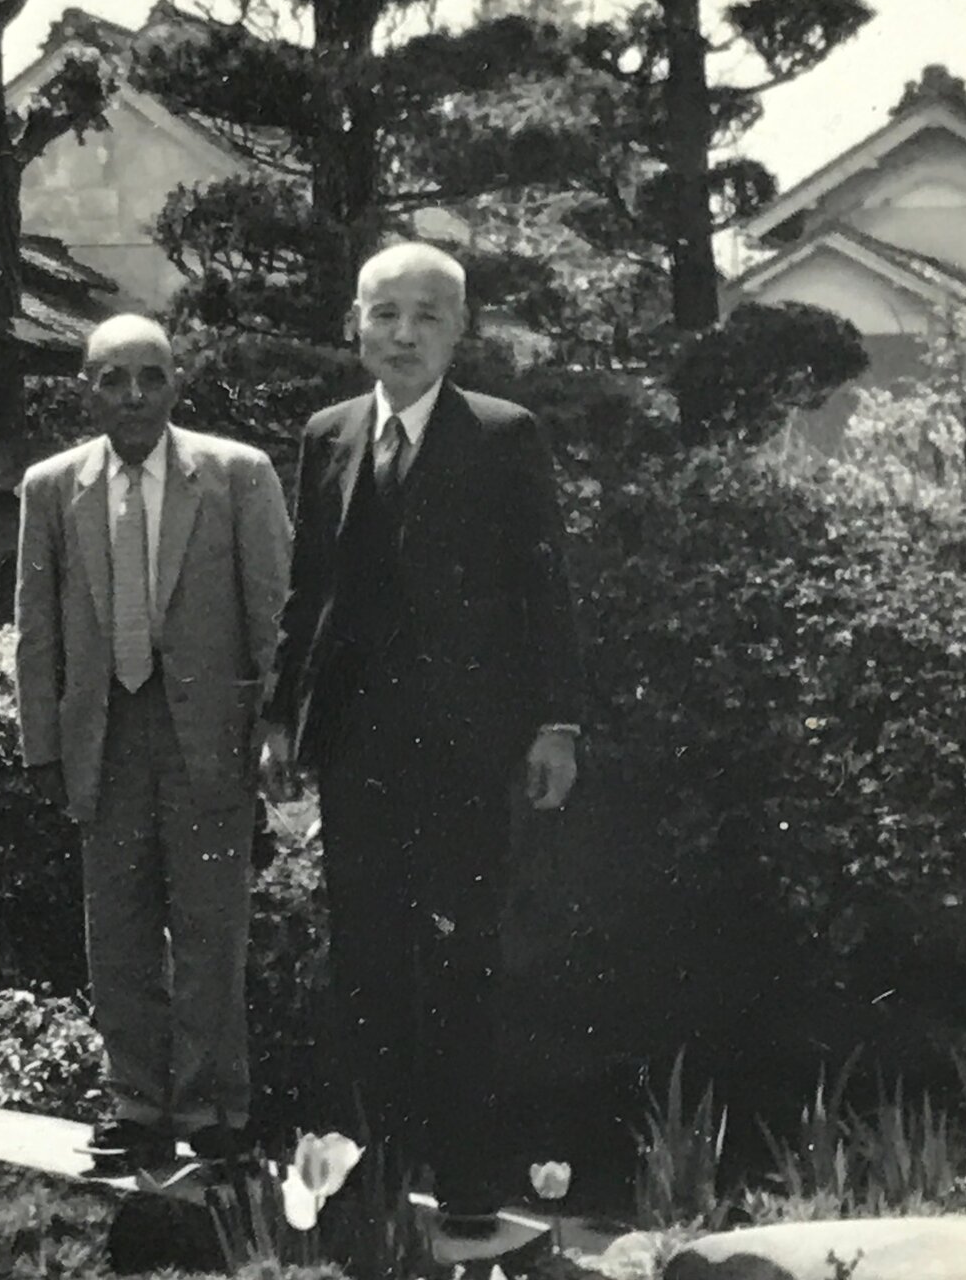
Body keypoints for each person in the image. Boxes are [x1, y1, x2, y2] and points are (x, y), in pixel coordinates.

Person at [259, 242, 584, 1235]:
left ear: (458, 330)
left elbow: (545, 590)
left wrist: (556, 723)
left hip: (465, 750)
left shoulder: (500, 434)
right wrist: (281, 718)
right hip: (358, 751)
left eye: (426, 317)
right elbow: (308, 593)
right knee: (361, 964)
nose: (402, 334)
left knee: (458, 962)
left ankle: (470, 1178)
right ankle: (374, 1171)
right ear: (355, 321)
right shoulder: (328, 434)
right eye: (385, 313)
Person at [15, 314, 291, 1168]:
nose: (132, 394)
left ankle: (212, 1112)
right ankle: (133, 1102)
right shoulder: (52, 487)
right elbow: (36, 631)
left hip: (208, 736)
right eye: (112, 378)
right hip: (106, 736)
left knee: (212, 929)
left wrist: (278, 726)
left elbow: (275, 615)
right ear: (86, 389)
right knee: (119, 930)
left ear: (176, 383)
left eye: (150, 376)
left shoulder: (237, 476)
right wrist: (41, 748)